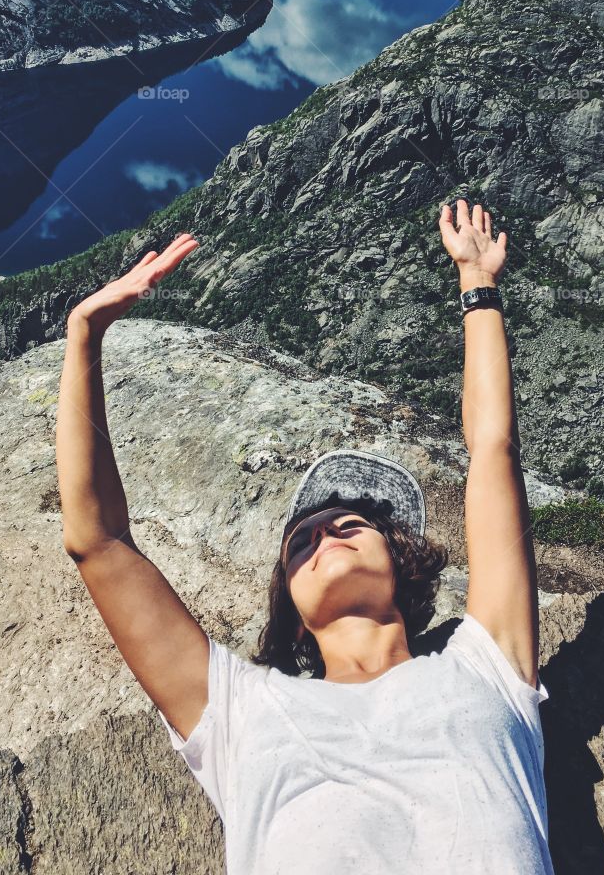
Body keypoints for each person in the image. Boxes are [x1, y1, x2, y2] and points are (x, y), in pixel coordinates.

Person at [56, 200, 554, 875]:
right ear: (290, 619)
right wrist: (83, 336)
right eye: (304, 540)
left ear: (402, 566)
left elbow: (492, 449)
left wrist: (479, 287)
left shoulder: (487, 663)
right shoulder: (239, 709)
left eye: (354, 522)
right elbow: (100, 543)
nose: (330, 528)